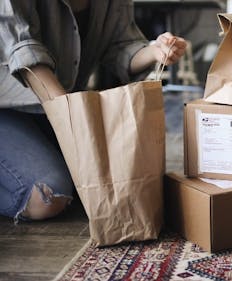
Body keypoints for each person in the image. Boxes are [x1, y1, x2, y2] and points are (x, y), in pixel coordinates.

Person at [0, 0, 187, 222]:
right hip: (9, 108)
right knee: (48, 197)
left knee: (120, 178)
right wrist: (76, 120)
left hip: (57, 107)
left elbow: (121, 45)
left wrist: (154, 51)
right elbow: (23, 51)